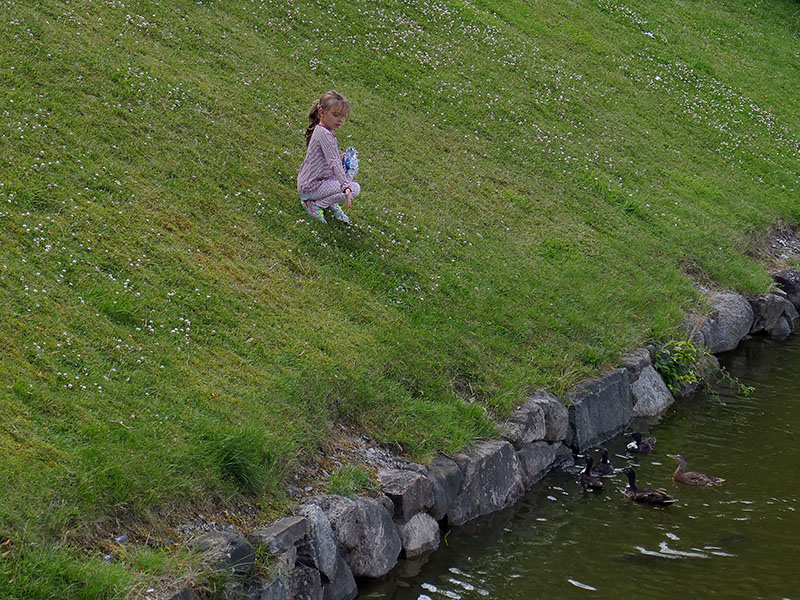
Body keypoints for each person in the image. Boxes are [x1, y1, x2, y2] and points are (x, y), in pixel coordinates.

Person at [297, 91, 361, 224]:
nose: (340, 120)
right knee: (354, 188)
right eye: (335, 115)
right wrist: (346, 188)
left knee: (349, 167)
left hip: (318, 180)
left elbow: (329, 158)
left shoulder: (323, 131)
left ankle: (329, 200)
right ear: (322, 112)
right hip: (311, 186)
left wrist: (345, 157)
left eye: (342, 116)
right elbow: (333, 163)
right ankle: (316, 204)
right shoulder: (325, 134)